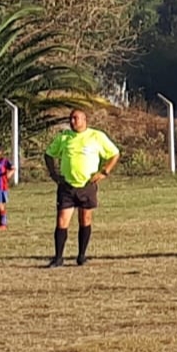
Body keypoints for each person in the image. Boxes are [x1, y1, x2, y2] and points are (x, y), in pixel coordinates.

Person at [43, 109, 119, 267]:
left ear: (85, 119)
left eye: (75, 118)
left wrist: (104, 172)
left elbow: (114, 153)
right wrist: (54, 174)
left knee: (85, 219)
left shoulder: (96, 136)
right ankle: (58, 257)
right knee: (62, 221)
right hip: (67, 186)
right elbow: (49, 154)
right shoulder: (64, 137)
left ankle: (81, 255)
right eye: (70, 118)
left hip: (87, 185)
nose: (72, 121)